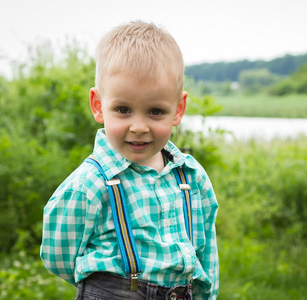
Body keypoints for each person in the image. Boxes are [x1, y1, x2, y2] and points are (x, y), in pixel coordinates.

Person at [40, 21, 219, 300]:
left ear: (178, 109)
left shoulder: (191, 178)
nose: (138, 126)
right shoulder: (91, 183)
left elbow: (205, 253)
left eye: (155, 111)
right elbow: (58, 255)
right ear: (98, 105)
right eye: (123, 109)